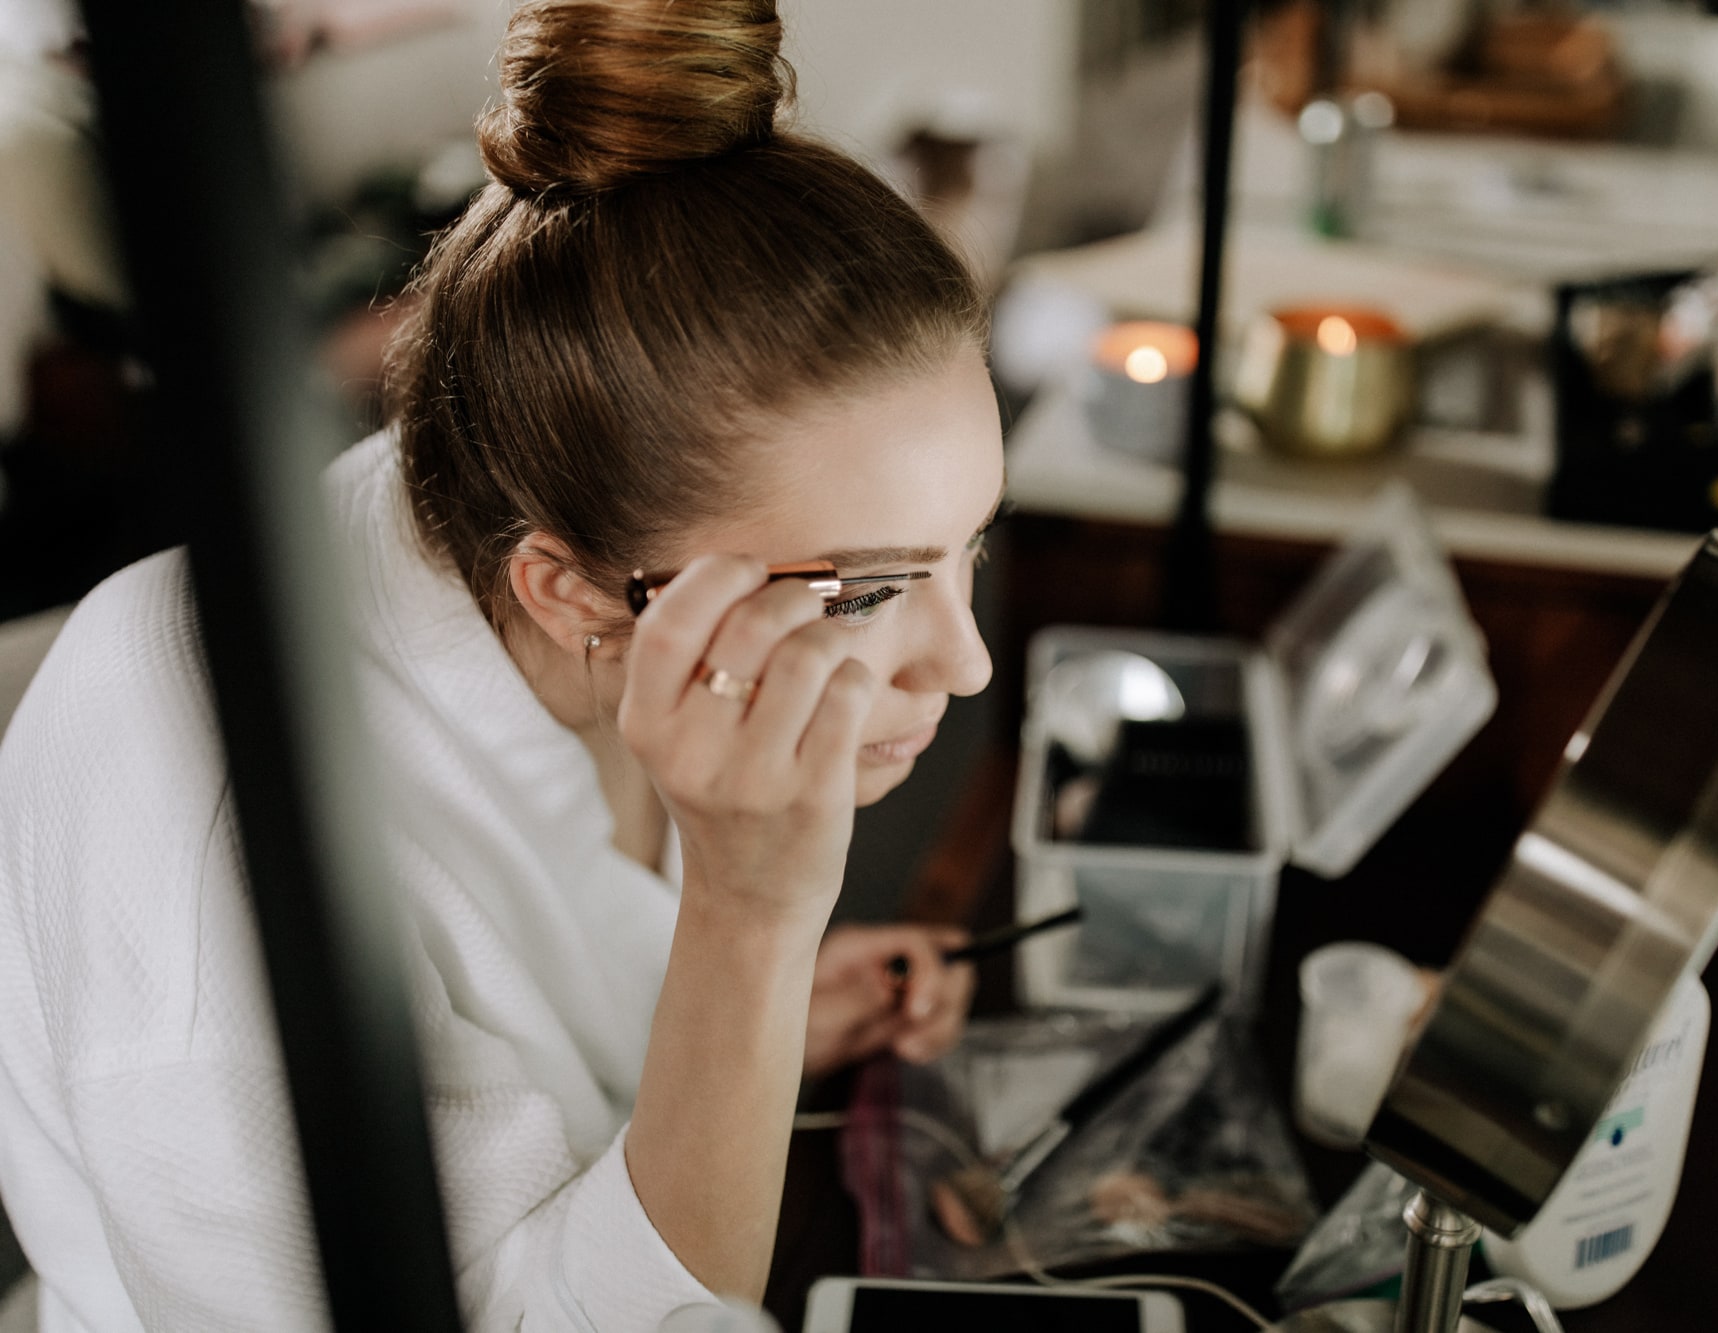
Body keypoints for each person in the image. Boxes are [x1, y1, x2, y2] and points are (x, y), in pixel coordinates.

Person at [0, 0, 1002, 1327]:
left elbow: (538, 960)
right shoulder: (229, 884)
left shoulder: (505, 510)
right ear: (572, 587)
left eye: (969, 547)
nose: (966, 661)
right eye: (870, 587)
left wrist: (732, 1017)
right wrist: (748, 926)